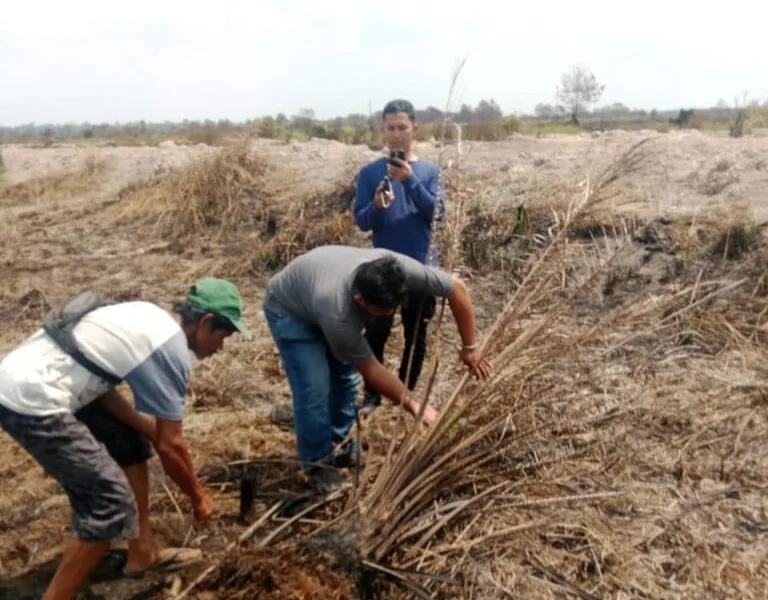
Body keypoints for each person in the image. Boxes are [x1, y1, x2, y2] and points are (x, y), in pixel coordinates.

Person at [0, 277, 252, 600]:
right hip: (34, 400)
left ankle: (141, 554)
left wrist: (147, 430)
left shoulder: (148, 317)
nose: (221, 347)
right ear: (205, 322)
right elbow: (171, 446)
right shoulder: (170, 349)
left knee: (130, 441)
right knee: (110, 505)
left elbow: (101, 390)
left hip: (27, 377)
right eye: (224, 334)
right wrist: (198, 497)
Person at [262, 245, 491, 493]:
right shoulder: (339, 313)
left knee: (345, 382)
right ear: (360, 300)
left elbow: (456, 288)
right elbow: (370, 369)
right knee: (315, 387)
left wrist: (470, 347)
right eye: (384, 312)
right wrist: (415, 406)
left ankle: (340, 445)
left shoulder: (395, 268)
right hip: (289, 310)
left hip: (317, 287)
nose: (390, 315)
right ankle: (318, 463)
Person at [353, 98, 446, 415]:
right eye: (390, 128)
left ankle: (405, 394)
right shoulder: (369, 174)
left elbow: (437, 214)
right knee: (375, 333)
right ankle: (373, 395)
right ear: (382, 131)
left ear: (414, 129)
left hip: (421, 267)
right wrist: (377, 205)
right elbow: (362, 221)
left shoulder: (429, 172)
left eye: (402, 127)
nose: (396, 134)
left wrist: (411, 181)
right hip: (383, 269)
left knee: (416, 335)